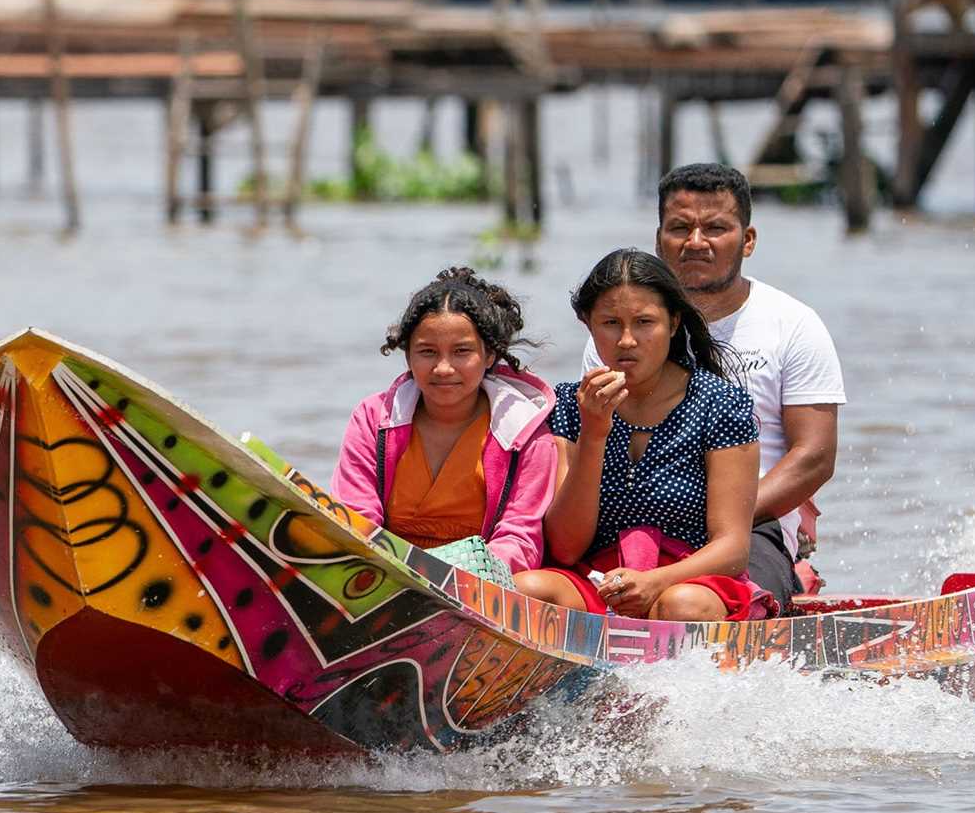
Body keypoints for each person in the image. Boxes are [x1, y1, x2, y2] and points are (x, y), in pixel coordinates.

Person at [581, 163, 844, 611]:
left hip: (754, 526)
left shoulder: (793, 325)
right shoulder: (615, 336)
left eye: (716, 228)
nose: (696, 242)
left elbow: (814, 457)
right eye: (680, 228)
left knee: (692, 601)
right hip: (634, 518)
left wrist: (722, 517)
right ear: (659, 239)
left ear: (748, 240)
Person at [516, 248, 774, 622]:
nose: (626, 340)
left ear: (673, 323)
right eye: (610, 323)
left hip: (692, 579)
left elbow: (732, 548)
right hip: (598, 578)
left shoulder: (720, 404)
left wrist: (656, 582)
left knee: (678, 605)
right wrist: (594, 433)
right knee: (527, 592)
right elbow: (567, 548)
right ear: (588, 324)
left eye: (643, 322)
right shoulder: (571, 406)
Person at [330, 266, 557, 576]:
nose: (443, 368)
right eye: (427, 352)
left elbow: (521, 538)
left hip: (480, 587)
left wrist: (453, 574)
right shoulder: (373, 419)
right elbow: (356, 517)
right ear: (408, 355)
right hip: (383, 578)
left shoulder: (526, 432)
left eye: (461, 351)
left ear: (489, 355)